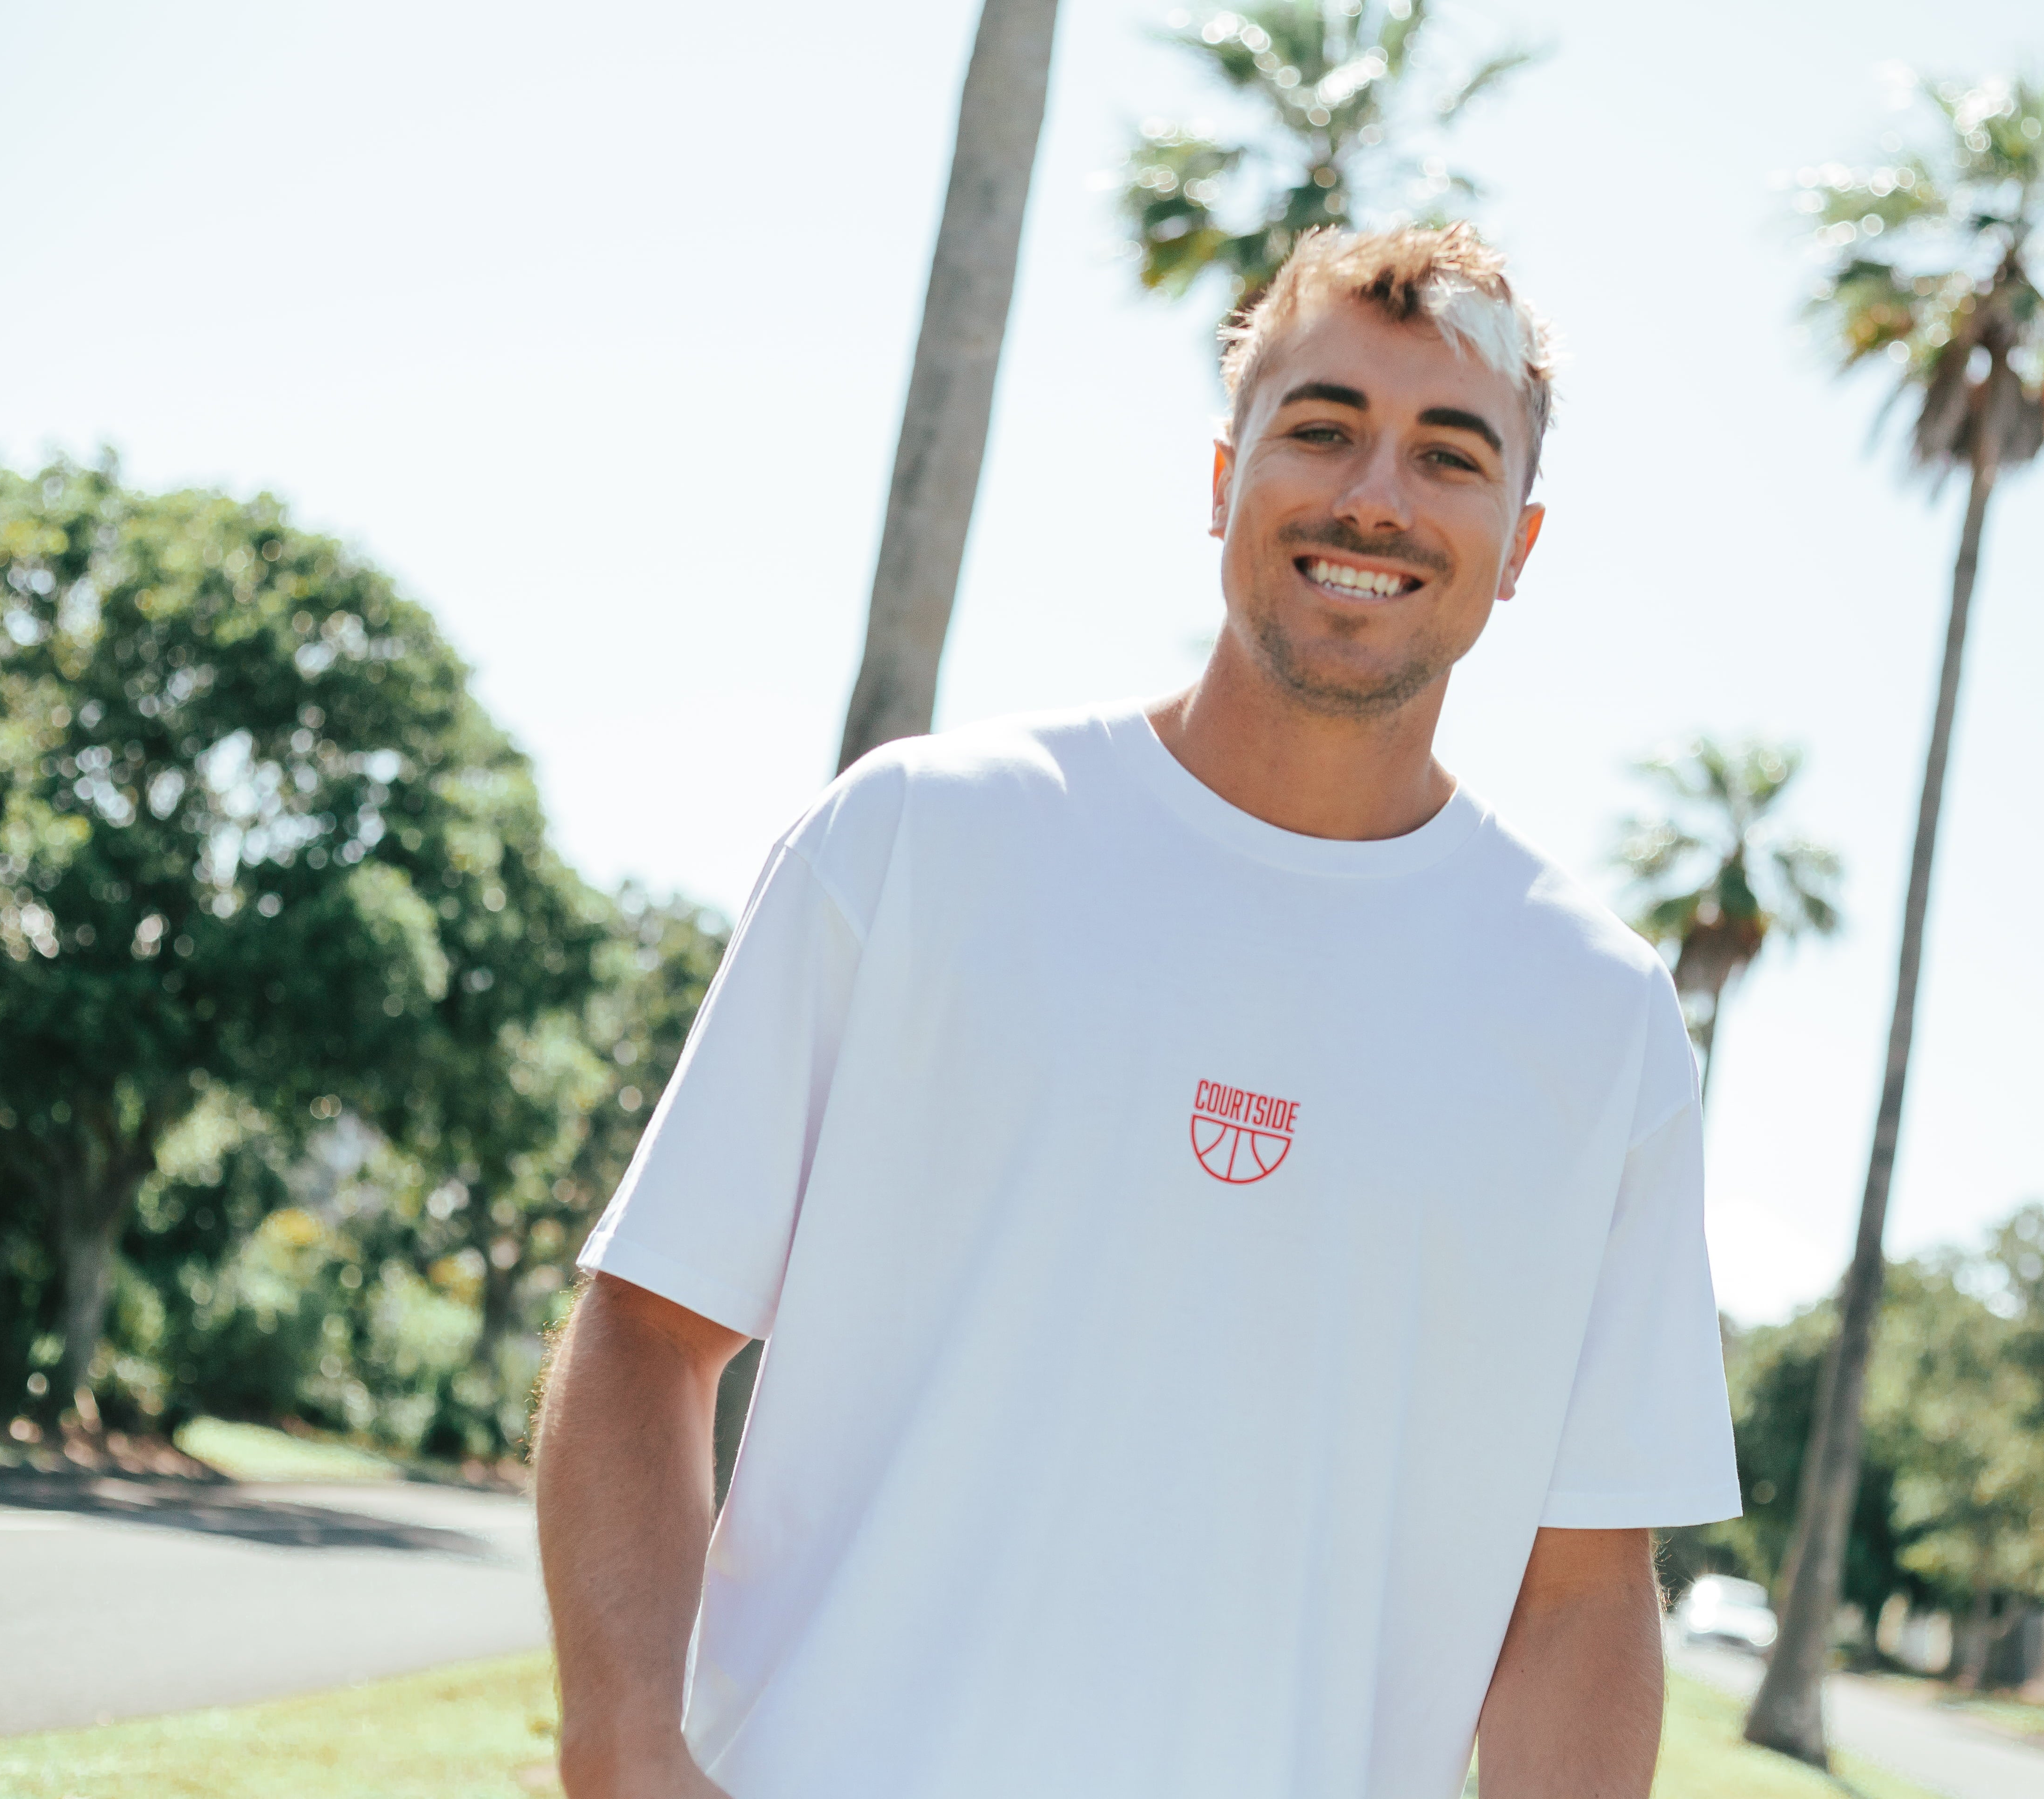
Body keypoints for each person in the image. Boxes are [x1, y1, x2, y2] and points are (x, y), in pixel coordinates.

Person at [535, 223, 1739, 1799]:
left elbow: (1582, 1591)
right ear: (1225, 475)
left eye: (1449, 455)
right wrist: (625, 1751)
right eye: (1322, 430)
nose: (1373, 495)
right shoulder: (919, 839)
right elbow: (647, 1330)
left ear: (1519, 541)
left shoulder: (1600, 1019)